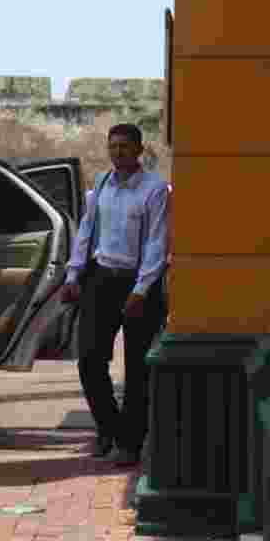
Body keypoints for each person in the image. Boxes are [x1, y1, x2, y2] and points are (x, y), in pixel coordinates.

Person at [61, 123, 170, 467]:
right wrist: (73, 273)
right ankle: (110, 429)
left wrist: (141, 289)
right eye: (113, 146)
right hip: (101, 279)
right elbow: (86, 233)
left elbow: (157, 242)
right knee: (90, 360)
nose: (118, 152)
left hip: (140, 283)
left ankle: (131, 443)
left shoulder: (155, 189)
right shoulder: (102, 185)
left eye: (125, 146)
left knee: (138, 369)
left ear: (139, 150)